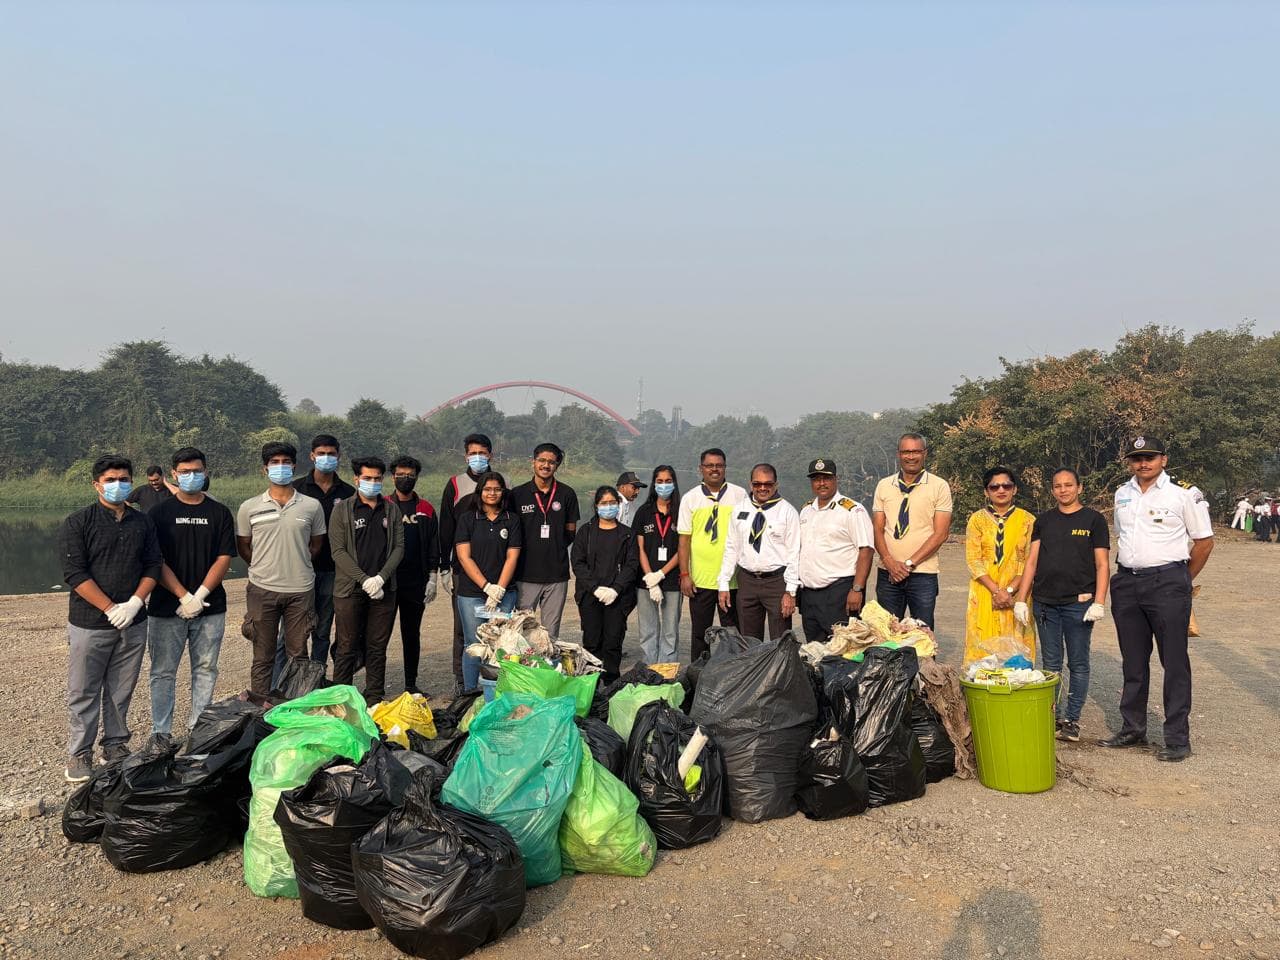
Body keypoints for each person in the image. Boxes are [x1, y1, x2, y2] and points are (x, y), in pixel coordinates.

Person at [1100, 436, 1213, 762]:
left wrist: (1181, 581)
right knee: (1133, 662)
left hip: (1168, 582)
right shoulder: (1122, 493)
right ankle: (1133, 728)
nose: (1143, 463)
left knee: (1174, 663)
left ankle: (1177, 738)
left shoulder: (1183, 494)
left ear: (1163, 459)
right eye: (1137, 458)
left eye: (1149, 457)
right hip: (1128, 582)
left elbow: (1204, 542)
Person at [59, 455, 163, 783]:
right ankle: (80, 752)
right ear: (97, 484)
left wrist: (134, 603)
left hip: (133, 621)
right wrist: (108, 608)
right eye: (111, 480)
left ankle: (115, 744)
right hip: (90, 621)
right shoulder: (78, 522)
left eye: (124, 479)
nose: (118, 485)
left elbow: (153, 564)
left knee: (121, 687)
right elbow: (74, 573)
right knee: (84, 689)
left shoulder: (142, 522)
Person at [145, 446, 236, 751]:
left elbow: (224, 557)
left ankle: (199, 727)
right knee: (162, 671)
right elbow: (154, 559)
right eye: (185, 472)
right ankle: (161, 732)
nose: (191, 476)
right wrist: (183, 595)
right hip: (165, 606)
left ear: (206, 472)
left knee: (206, 668)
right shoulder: (158, 513)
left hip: (210, 607)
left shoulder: (219, 512)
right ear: (174, 475)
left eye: (197, 471)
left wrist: (200, 595)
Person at [1013, 468, 1109, 742]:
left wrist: (1099, 601)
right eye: (1058, 486)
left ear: (1080, 487)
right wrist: (1022, 598)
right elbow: (1031, 562)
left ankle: (1072, 720)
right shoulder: (1044, 521)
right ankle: (1052, 716)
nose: (1063, 490)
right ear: (1052, 489)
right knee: (1051, 663)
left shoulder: (1094, 520)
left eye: (1069, 485)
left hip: (1078, 605)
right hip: (1045, 604)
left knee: (1078, 663)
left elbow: (1102, 565)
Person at [235, 442, 326, 697]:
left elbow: (317, 545)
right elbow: (243, 546)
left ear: (294, 465)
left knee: (298, 655)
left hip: (301, 590)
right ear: (265, 469)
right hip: (262, 589)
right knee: (262, 656)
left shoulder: (311, 506)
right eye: (274, 463)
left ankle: (295, 709)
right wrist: (264, 565)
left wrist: (296, 562)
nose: (281, 467)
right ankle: (259, 710)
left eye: (285, 462)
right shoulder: (249, 507)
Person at [329, 457, 404, 705]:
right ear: (356, 479)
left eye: (376, 478)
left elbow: (398, 549)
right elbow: (338, 551)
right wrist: (364, 580)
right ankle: (341, 698)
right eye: (367, 478)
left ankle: (374, 698)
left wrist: (381, 579)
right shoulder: (342, 509)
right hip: (350, 589)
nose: (372, 483)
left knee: (376, 645)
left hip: (384, 590)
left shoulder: (392, 509)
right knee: (346, 645)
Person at [288, 434, 355, 673]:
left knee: (323, 629)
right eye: (321, 454)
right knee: (294, 628)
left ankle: (316, 678)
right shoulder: (295, 489)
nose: (326, 458)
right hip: (299, 570)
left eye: (331, 454)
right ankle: (291, 678)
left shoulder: (348, 492)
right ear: (312, 456)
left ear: (338, 456)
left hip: (333, 570)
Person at [872, 433, 953, 628]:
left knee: (922, 631)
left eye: (916, 451)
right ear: (898, 454)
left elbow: (940, 533)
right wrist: (890, 562)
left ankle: (925, 660)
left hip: (922, 573)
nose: (911, 456)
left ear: (925, 454)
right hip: (888, 573)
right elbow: (877, 528)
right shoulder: (884, 485)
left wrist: (908, 564)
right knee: (887, 631)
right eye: (906, 452)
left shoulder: (939, 486)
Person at [454, 470, 522, 691]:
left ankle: (496, 693)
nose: (492, 493)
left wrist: (499, 589)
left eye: (497, 489)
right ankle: (470, 693)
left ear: (503, 492)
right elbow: (464, 556)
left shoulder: (512, 520)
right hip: (472, 594)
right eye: (487, 489)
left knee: (501, 645)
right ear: (480, 491)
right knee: (474, 645)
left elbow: (512, 556)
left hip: (505, 594)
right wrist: (486, 587)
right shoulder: (467, 519)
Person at [678, 448, 748, 661]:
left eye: (719, 465)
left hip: (732, 580)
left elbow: (746, 534)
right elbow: (684, 540)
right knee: (701, 634)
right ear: (701, 469)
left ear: (725, 468)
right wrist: (684, 575)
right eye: (710, 466)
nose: (714, 469)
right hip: (701, 580)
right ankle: (699, 676)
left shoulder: (740, 495)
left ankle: (735, 676)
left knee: (734, 635)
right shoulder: (690, 498)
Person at [717, 463, 800, 640]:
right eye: (757, 484)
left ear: (776, 484)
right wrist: (723, 583)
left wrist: (790, 592)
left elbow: (794, 554)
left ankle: (780, 669)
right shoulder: (740, 509)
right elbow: (731, 548)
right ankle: (754, 668)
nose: (762, 488)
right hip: (747, 581)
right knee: (749, 639)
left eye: (768, 484)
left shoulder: (787, 512)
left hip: (776, 582)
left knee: (780, 641)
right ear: (750, 484)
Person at [963, 466, 1037, 663]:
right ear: (986, 492)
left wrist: (1009, 590)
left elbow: (1030, 560)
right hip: (984, 590)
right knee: (982, 646)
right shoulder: (976, 520)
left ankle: (1017, 689)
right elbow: (973, 559)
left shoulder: (1028, 521)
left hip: (1019, 591)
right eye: (994, 487)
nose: (1001, 490)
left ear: (1015, 489)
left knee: (1017, 645)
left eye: (1006, 485)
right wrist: (996, 591)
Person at [437, 433, 493, 692]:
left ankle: (493, 679)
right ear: (466, 456)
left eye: (482, 453)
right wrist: (444, 566)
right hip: (462, 569)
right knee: (464, 628)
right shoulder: (455, 484)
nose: (478, 458)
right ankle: (463, 682)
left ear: (490, 455)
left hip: (494, 570)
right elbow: (446, 527)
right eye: (473, 453)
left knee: (495, 627)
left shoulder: (498, 483)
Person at [796, 458, 874, 641]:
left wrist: (857, 589)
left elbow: (866, 550)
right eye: (816, 479)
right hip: (809, 595)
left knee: (843, 651)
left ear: (836, 479)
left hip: (839, 593)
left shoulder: (852, 510)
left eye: (826, 478)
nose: (821, 483)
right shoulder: (806, 511)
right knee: (815, 650)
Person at [510, 443, 580, 639]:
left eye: (551, 462)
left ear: (557, 465)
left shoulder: (567, 494)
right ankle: (523, 670)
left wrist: (552, 547)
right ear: (533, 462)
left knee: (551, 634)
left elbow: (570, 531)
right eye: (542, 460)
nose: (546, 465)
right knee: (521, 632)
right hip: (525, 574)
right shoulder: (517, 494)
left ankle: (547, 668)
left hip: (556, 574)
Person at [572, 487, 640, 682]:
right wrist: (594, 588)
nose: (608, 507)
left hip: (617, 598)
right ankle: (590, 685)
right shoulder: (586, 532)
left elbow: (631, 564)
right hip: (590, 596)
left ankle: (611, 685)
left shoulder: (627, 534)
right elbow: (578, 562)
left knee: (613, 642)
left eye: (612, 503)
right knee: (592, 642)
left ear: (618, 506)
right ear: (596, 506)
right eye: (604, 503)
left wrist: (616, 589)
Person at [388, 455, 440, 695]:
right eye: (400, 475)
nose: (405, 479)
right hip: (386, 582)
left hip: (415, 582)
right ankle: (374, 687)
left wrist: (432, 577)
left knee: (411, 634)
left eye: (410, 476)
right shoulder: (384, 505)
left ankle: (411, 684)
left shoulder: (426, 509)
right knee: (378, 636)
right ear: (392, 477)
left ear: (417, 477)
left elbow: (432, 544)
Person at [632, 466, 683, 664]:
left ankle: (667, 674)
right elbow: (640, 548)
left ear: (674, 483)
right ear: (654, 484)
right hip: (645, 580)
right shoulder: (644, 512)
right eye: (659, 481)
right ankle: (649, 669)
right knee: (647, 630)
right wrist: (651, 580)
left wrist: (661, 574)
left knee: (670, 631)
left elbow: (683, 548)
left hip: (672, 580)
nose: (664, 485)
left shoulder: (681, 511)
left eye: (668, 481)